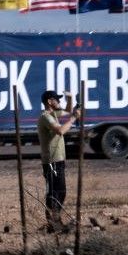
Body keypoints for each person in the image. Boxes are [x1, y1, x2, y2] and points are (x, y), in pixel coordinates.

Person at [36, 90, 79, 232]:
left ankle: (54, 222)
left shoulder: (53, 114)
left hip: (58, 160)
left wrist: (71, 99)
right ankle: (54, 222)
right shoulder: (46, 117)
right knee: (56, 192)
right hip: (51, 161)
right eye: (57, 100)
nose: (59, 102)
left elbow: (66, 111)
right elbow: (60, 130)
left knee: (59, 191)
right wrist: (73, 119)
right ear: (49, 102)